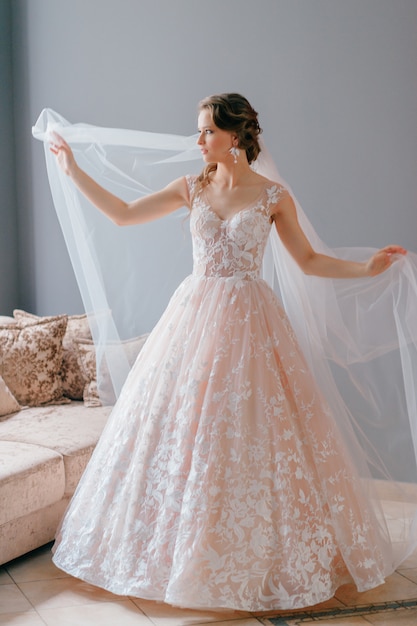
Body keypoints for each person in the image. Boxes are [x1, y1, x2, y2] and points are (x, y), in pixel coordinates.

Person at [45, 93, 412, 612]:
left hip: (252, 327)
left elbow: (307, 261)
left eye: (206, 132)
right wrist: (72, 170)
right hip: (192, 321)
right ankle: (179, 554)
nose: (197, 142)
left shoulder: (272, 196)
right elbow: (124, 215)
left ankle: (254, 558)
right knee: (184, 434)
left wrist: (368, 269)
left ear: (234, 135)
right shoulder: (191, 188)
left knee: (249, 436)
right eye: (198, 132)